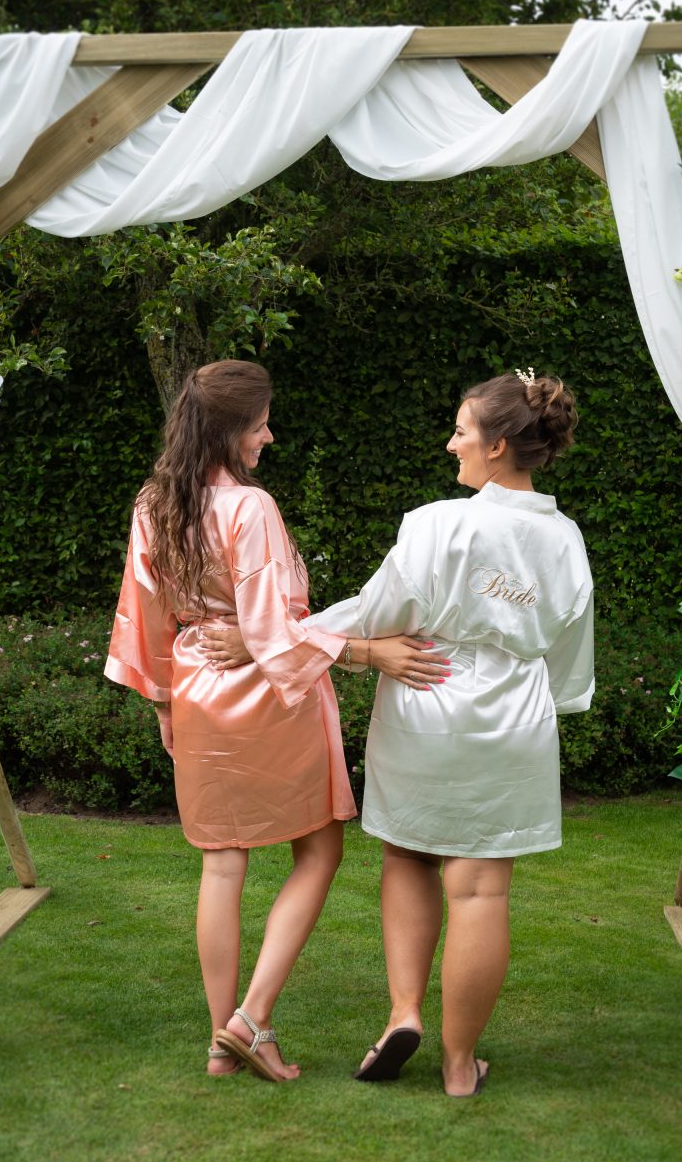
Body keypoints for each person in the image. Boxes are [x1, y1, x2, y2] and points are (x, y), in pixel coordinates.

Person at [203, 371, 593, 1096]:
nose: (451, 444)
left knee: (409, 857)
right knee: (481, 891)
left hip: (425, 693)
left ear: (497, 445)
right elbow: (570, 664)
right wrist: (550, 698)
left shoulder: (438, 524)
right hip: (515, 716)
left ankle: (404, 1014)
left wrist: (268, 642)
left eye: (461, 431)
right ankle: (459, 1066)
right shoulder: (566, 540)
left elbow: (375, 613)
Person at [104, 358, 447, 1084]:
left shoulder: (153, 501)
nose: (268, 437)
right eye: (260, 425)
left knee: (222, 862)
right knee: (319, 851)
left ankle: (220, 1044)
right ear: (229, 429)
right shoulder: (249, 507)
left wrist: (165, 702)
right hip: (269, 695)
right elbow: (270, 632)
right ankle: (250, 1020)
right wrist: (366, 652)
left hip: (197, 684)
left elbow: (143, 611)